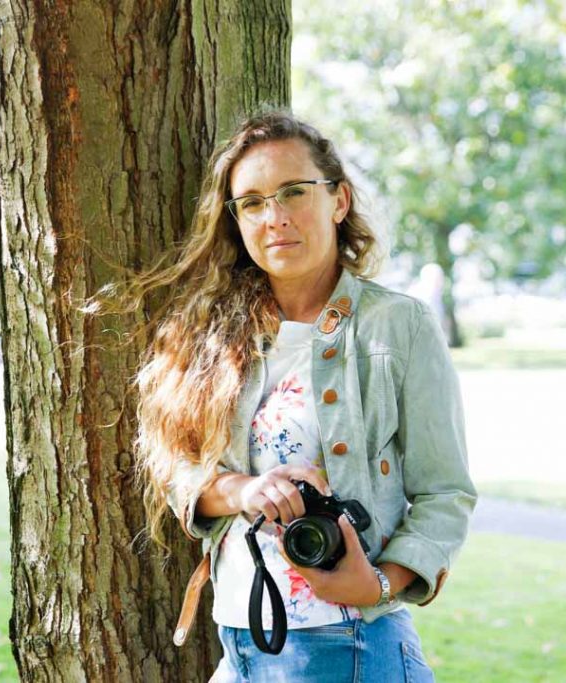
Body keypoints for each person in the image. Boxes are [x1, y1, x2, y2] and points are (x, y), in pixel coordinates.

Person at [119, 110, 476, 682]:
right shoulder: (211, 333)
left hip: (347, 643)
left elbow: (446, 492)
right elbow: (176, 469)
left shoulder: (397, 326)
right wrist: (243, 489)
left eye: (293, 192)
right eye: (253, 202)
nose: (275, 217)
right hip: (240, 642)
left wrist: (382, 581)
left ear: (338, 200)